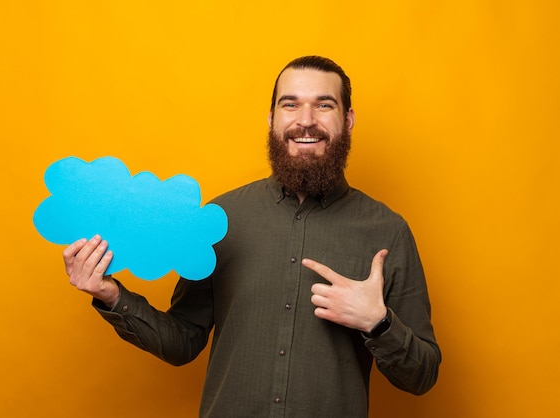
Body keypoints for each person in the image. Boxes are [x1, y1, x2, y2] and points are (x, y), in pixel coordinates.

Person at [63, 56, 441, 417]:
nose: (305, 121)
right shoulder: (221, 220)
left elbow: (422, 376)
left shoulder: (388, 232)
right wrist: (110, 294)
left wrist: (378, 323)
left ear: (348, 119)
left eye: (324, 105)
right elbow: (183, 341)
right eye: (290, 105)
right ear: (272, 118)